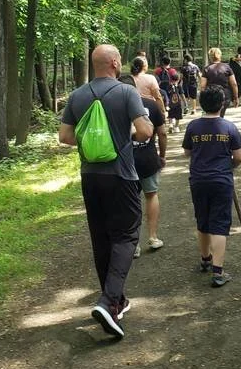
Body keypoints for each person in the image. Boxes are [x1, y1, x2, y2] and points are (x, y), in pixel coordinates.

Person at [58, 45, 153, 339]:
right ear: (114, 63)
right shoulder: (126, 93)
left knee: (101, 238)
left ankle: (114, 301)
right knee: (126, 234)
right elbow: (145, 131)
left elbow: (65, 137)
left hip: (90, 175)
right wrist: (127, 134)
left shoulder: (77, 95)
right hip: (121, 175)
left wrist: (91, 144)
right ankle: (109, 300)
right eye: (119, 59)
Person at [182, 85, 241, 287]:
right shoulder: (229, 127)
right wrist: (229, 166)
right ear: (222, 104)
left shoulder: (193, 127)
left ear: (201, 103)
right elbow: (239, 156)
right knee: (219, 223)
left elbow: (187, 152)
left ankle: (205, 259)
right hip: (221, 181)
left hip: (198, 180)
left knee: (203, 219)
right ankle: (218, 272)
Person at [119, 74, 167, 257]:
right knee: (151, 195)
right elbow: (162, 133)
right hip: (147, 158)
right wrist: (162, 156)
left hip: (125, 161)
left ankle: (134, 244)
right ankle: (153, 237)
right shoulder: (151, 105)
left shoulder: (113, 108)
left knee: (129, 202)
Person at [201, 48, 238, 118]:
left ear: (210, 57)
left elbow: (203, 86)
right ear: (220, 56)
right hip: (225, 95)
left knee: (212, 116)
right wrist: (235, 97)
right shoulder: (227, 67)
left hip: (211, 96)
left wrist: (203, 100)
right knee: (220, 115)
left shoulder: (206, 69)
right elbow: (234, 84)